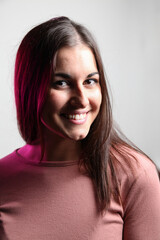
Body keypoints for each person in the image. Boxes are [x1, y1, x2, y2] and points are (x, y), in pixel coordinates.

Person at [0, 16, 160, 240]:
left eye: (90, 81)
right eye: (62, 83)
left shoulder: (135, 175)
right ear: (29, 88)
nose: (82, 100)